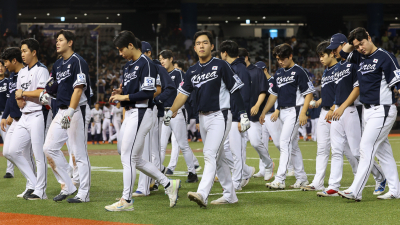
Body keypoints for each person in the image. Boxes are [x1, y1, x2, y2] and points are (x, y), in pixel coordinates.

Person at [165, 30, 249, 207]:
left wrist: (242, 114)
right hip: (203, 118)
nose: (201, 46)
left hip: (221, 115)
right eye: (198, 43)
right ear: (194, 48)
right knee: (218, 158)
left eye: (205, 43)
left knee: (209, 153)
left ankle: (202, 193)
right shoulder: (192, 71)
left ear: (212, 46)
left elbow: (235, 90)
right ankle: (230, 195)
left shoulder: (221, 65)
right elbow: (183, 95)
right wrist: (171, 110)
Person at [105, 31, 180, 211]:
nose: (120, 53)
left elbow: (147, 93)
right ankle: (168, 184)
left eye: (121, 49)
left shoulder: (146, 63)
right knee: (134, 158)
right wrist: (119, 93)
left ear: (131, 45)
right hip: (131, 113)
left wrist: (124, 97)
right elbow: (131, 91)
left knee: (128, 157)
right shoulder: (128, 66)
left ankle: (126, 201)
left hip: (142, 111)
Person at [317, 33, 386, 197]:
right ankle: (334, 186)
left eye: (336, 48)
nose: (333, 52)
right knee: (336, 150)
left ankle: (380, 176)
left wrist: (342, 107)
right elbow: (338, 91)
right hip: (339, 110)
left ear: (344, 45)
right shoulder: (338, 66)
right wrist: (334, 107)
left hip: (352, 110)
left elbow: (357, 88)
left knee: (357, 151)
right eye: (332, 50)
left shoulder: (353, 63)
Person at [338, 27, 399, 201]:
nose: (360, 48)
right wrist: (353, 42)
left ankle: (355, 190)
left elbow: (397, 82)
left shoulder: (385, 57)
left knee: (366, 148)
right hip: (367, 110)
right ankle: (396, 190)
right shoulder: (360, 56)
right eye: (356, 46)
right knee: (383, 152)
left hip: (383, 109)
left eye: (362, 43)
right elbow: (343, 53)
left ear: (369, 38)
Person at [41, 30, 92, 203]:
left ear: (70, 42)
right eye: (56, 40)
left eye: (61, 40)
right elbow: (52, 85)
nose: (57, 43)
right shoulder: (57, 64)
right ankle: (68, 185)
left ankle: (84, 193)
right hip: (62, 110)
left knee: (78, 153)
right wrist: (45, 92)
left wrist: (70, 112)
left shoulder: (78, 61)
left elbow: (78, 89)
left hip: (76, 109)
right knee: (48, 148)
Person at [302, 40, 354, 192]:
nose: (321, 59)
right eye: (319, 56)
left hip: (336, 111)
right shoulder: (326, 71)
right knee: (322, 149)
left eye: (322, 55)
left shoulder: (340, 68)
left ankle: (360, 177)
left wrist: (332, 108)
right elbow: (329, 92)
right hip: (325, 112)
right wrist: (318, 102)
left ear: (332, 53)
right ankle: (317, 182)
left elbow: (342, 92)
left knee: (349, 150)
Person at [260, 43, 313, 189]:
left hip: (294, 111)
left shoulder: (299, 71)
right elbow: (273, 95)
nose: (280, 61)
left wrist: (303, 112)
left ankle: (280, 179)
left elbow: (308, 93)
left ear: (290, 56)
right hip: (283, 112)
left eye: (283, 58)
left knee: (284, 143)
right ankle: (302, 178)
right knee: (293, 146)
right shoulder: (279, 73)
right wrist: (264, 111)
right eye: (278, 59)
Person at [5, 38, 49, 200]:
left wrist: (23, 94)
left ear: (34, 52)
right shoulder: (22, 72)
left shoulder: (41, 70)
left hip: (38, 114)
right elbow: (18, 95)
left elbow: (43, 93)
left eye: (25, 51)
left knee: (39, 155)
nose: (22, 54)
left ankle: (40, 191)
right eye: (21, 51)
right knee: (10, 151)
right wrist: (20, 97)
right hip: (25, 115)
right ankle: (33, 183)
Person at [158, 49, 198, 182]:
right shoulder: (161, 74)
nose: (162, 61)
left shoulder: (178, 73)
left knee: (182, 144)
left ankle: (192, 173)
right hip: (164, 112)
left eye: (164, 58)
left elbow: (183, 93)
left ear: (171, 59)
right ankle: (158, 173)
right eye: (160, 59)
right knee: (161, 145)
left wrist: (177, 107)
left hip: (176, 112)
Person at [1, 48, 27, 189]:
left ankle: (33, 185)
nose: (4, 65)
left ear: (14, 60)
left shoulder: (24, 74)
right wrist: (6, 115)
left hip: (26, 117)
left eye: (5, 61)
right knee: (7, 152)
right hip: (14, 117)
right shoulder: (12, 75)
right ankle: (32, 182)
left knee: (28, 154)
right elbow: (11, 98)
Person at [254, 61, 282, 179]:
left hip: (272, 115)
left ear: (265, 70)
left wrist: (277, 110)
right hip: (261, 116)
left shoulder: (273, 80)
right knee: (262, 143)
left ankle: (291, 167)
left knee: (278, 142)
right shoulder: (258, 83)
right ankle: (263, 169)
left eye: (259, 71)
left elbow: (280, 95)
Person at [0, 60, 14, 178]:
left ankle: (10, 171)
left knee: (7, 143)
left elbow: (11, 100)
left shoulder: (8, 81)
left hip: (4, 116)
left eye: (1, 66)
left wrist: (9, 115)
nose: (0, 68)